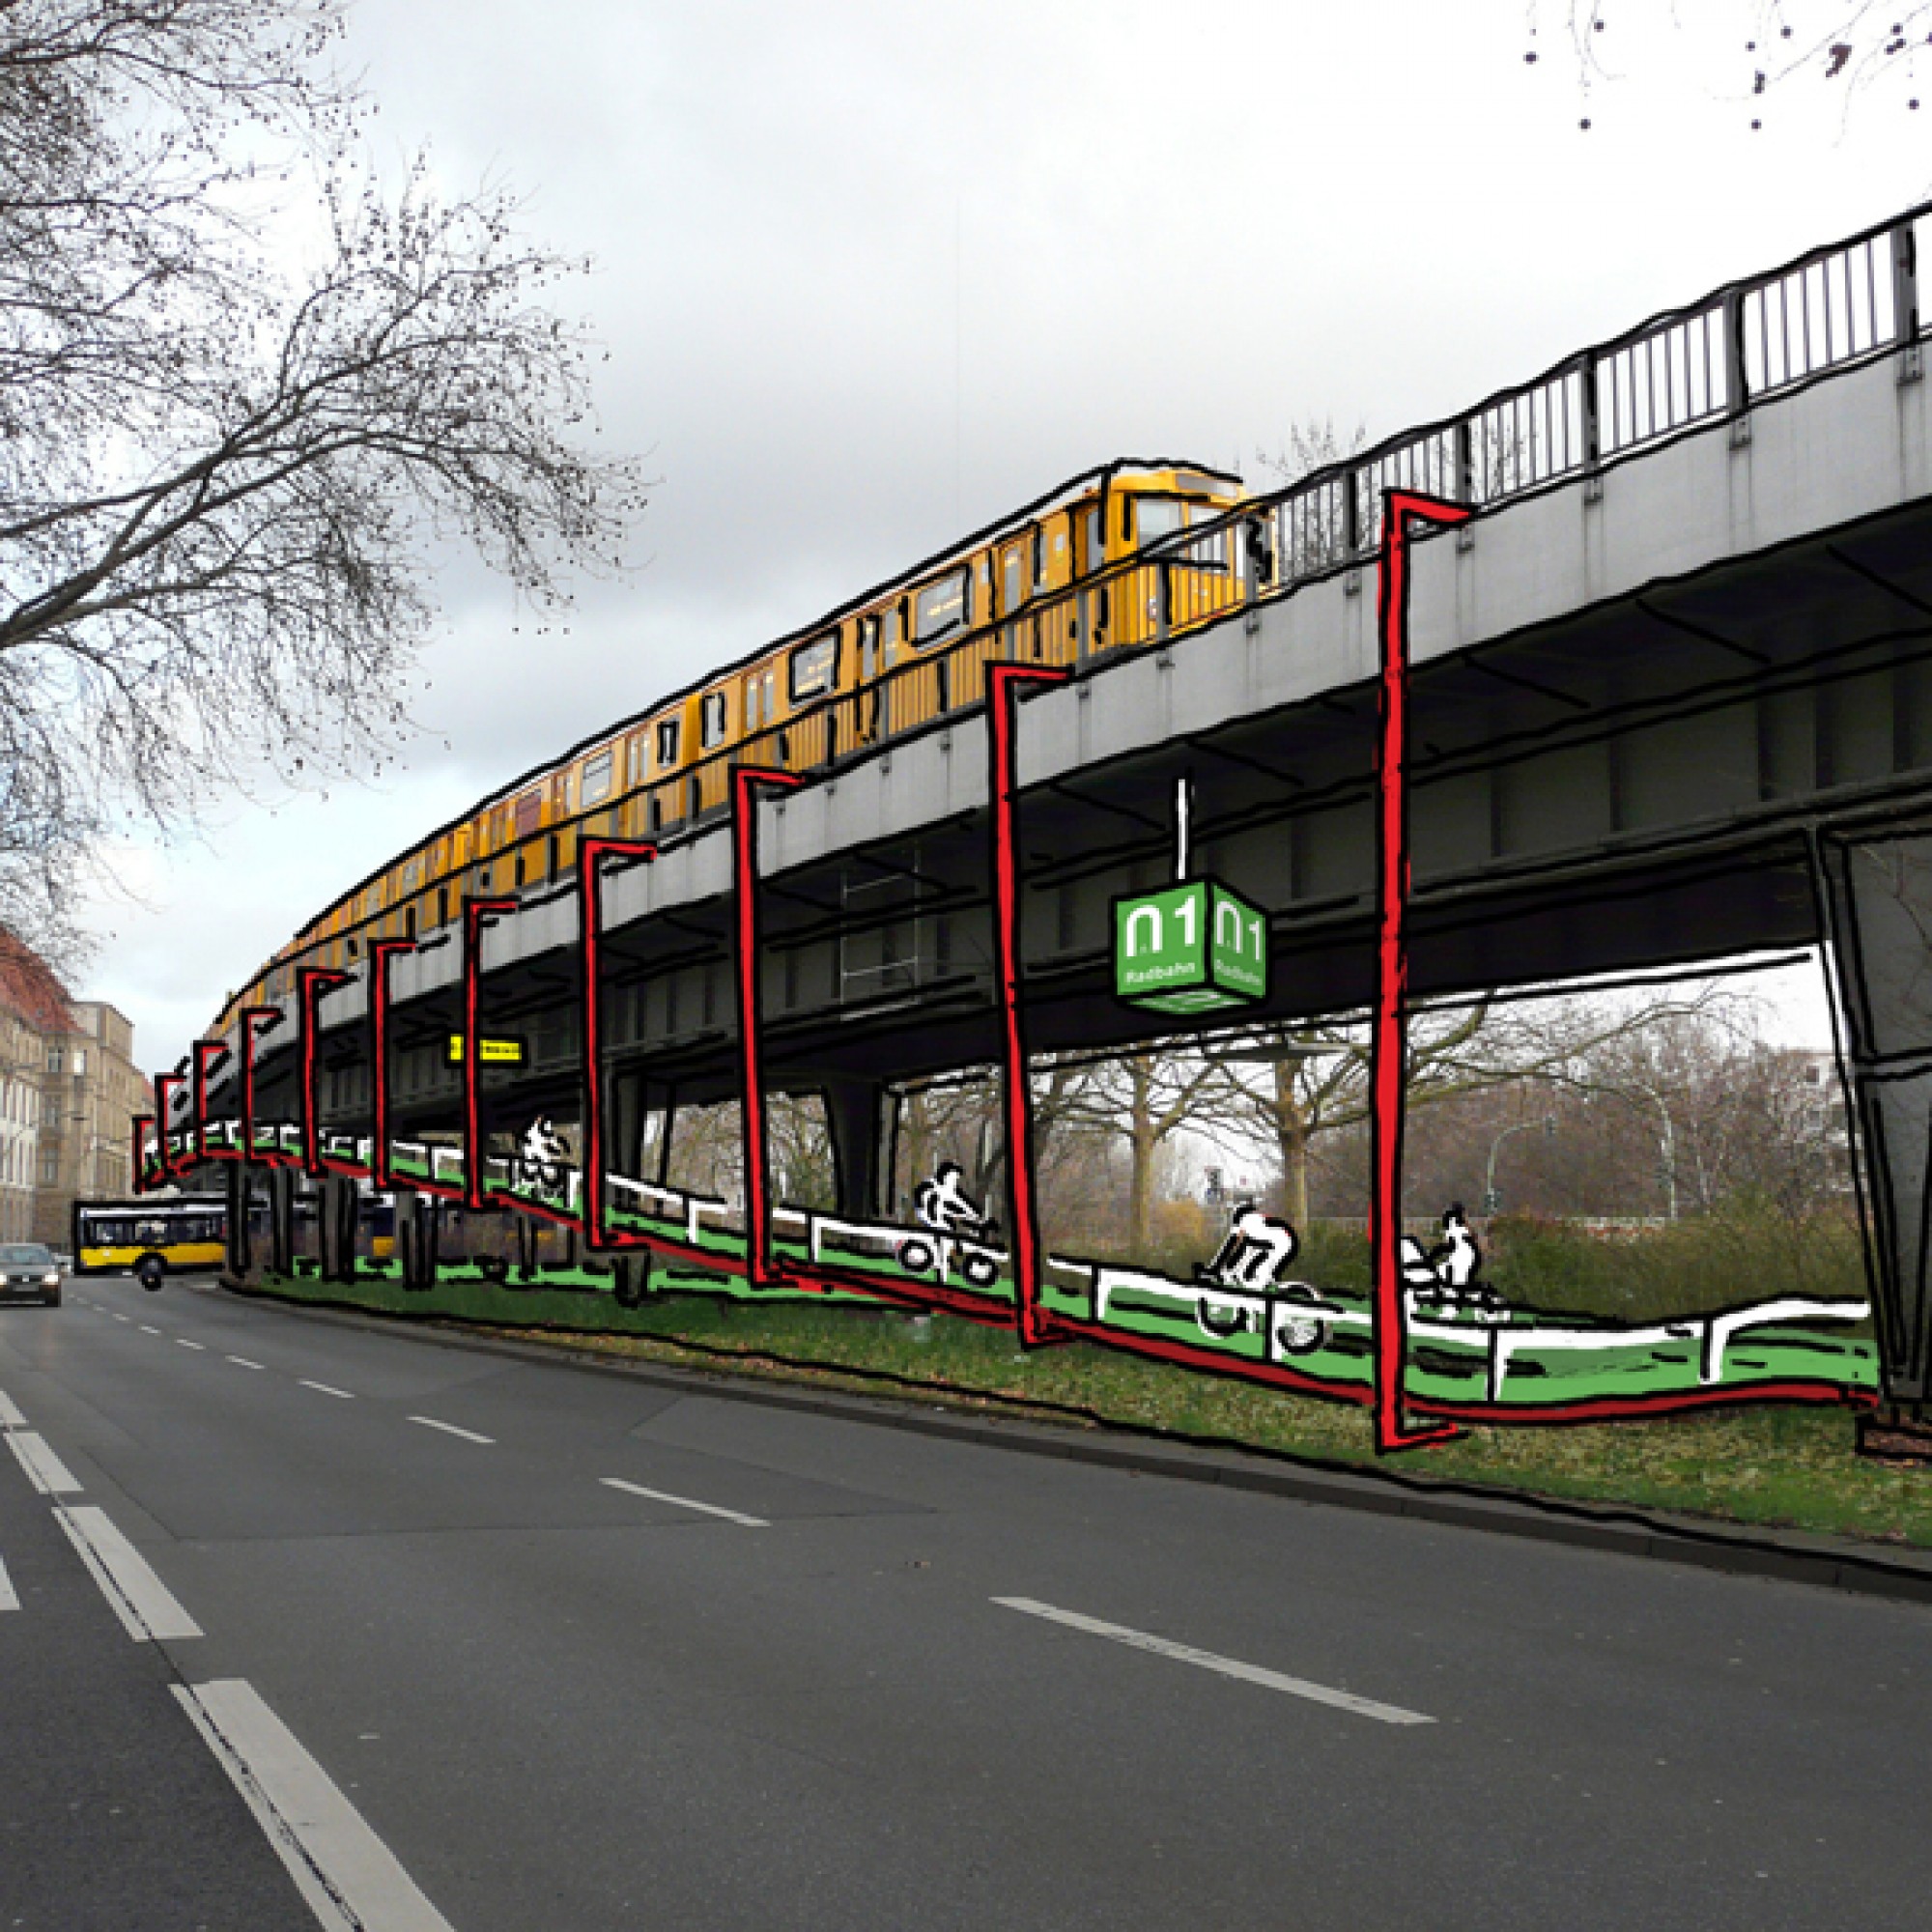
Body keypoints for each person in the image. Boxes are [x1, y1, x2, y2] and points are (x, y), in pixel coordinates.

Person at [1197, 1202, 1298, 1293]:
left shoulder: (1247, 1223)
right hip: (1285, 1242)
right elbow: (1237, 1250)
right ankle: (1268, 1288)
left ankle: (1265, 1293)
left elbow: (1230, 1246)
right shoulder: (1255, 1223)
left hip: (1284, 1244)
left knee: (1256, 1276)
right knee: (1250, 1271)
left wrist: (1214, 1271)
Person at [914, 1161, 991, 1239]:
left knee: (956, 1219)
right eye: (954, 1178)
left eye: (956, 1179)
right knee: (949, 1222)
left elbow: (963, 1203)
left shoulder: (951, 1190)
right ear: (946, 1176)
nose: (955, 1182)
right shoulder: (933, 1187)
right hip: (931, 1215)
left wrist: (976, 1216)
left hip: (936, 1216)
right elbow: (952, 1206)